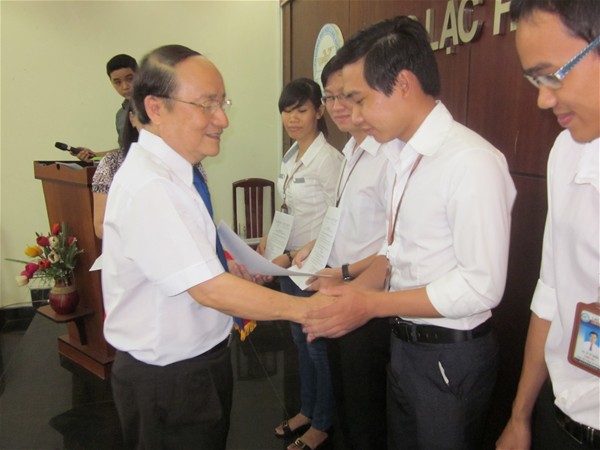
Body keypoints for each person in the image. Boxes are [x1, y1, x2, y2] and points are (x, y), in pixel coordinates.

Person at [303, 16, 516, 450]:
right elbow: (397, 253)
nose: (354, 115)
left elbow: (481, 286)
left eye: (360, 100)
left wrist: (371, 304)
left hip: (449, 355)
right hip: (406, 346)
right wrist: (349, 294)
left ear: (402, 84)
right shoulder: (402, 157)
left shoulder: (469, 161)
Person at [101, 44, 322, 450]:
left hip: (192, 364)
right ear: (156, 107)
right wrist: (311, 310)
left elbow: (189, 264)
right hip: (170, 379)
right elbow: (208, 290)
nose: (222, 119)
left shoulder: (175, 172)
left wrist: (222, 266)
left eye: (222, 103)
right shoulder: (152, 186)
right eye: (206, 105)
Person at [496, 1, 599, 449]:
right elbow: (552, 291)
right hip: (561, 414)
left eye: (553, 74)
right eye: (535, 80)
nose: (543, 99)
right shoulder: (567, 152)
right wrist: (520, 416)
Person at [295, 55, 390, 450]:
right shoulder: (350, 150)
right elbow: (340, 220)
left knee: (365, 407)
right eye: (331, 97)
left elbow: (393, 246)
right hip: (337, 283)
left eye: (348, 95)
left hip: (369, 296)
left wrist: (346, 271)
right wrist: (315, 248)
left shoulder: (389, 157)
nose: (337, 106)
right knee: (343, 398)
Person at [259, 77, 343, 450]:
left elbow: (338, 218)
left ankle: (323, 422)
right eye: (286, 111)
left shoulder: (330, 160)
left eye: (301, 110)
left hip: (315, 267)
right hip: (289, 265)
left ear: (319, 111)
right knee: (299, 341)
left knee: (316, 346)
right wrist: (270, 238)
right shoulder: (290, 156)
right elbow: (288, 208)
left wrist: (300, 252)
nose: (292, 119)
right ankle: (308, 409)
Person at [73, 54, 138, 161]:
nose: (125, 86)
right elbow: (125, 151)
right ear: (111, 82)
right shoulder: (121, 115)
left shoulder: (157, 106)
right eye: (117, 82)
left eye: (130, 79)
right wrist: (95, 155)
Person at [91, 103, 140, 238]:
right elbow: (100, 227)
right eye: (145, 115)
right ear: (132, 118)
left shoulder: (182, 159)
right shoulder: (112, 163)